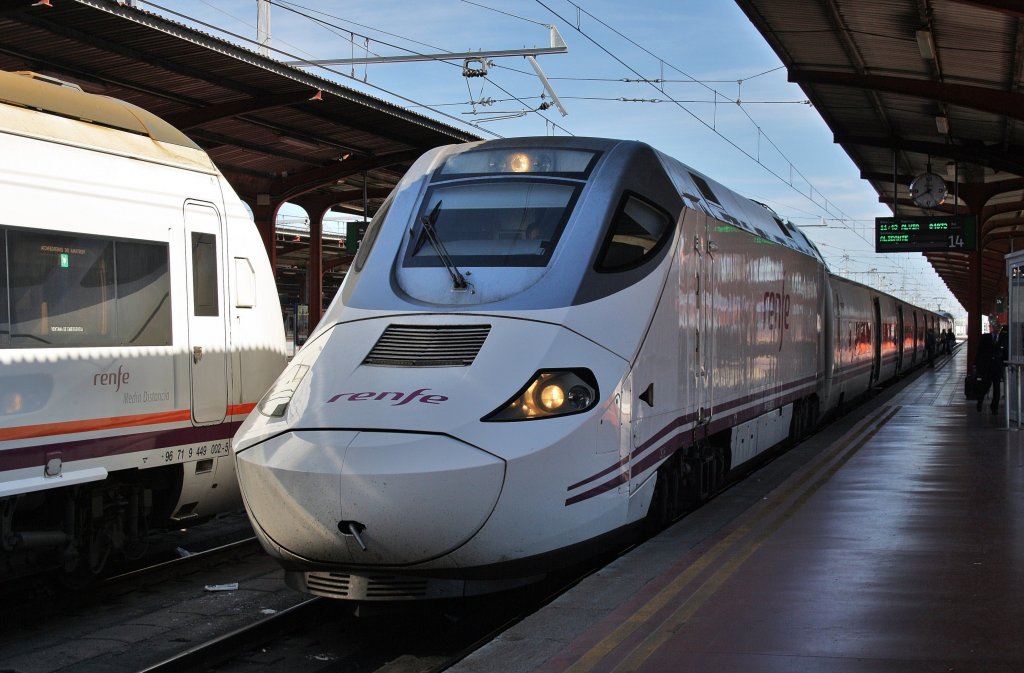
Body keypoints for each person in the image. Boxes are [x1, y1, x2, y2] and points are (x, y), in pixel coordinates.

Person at [975, 321, 1007, 414]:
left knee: (997, 388)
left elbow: (1005, 352)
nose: (998, 329)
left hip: (997, 367)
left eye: (999, 327)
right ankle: (980, 401)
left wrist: (1006, 363)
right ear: (993, 328)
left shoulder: (1003, 338)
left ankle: (994, 408)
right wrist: (976, 364)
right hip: (987, 367)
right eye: (996, 327)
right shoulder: (985, 337)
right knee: (986, 386)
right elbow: (979, 351)